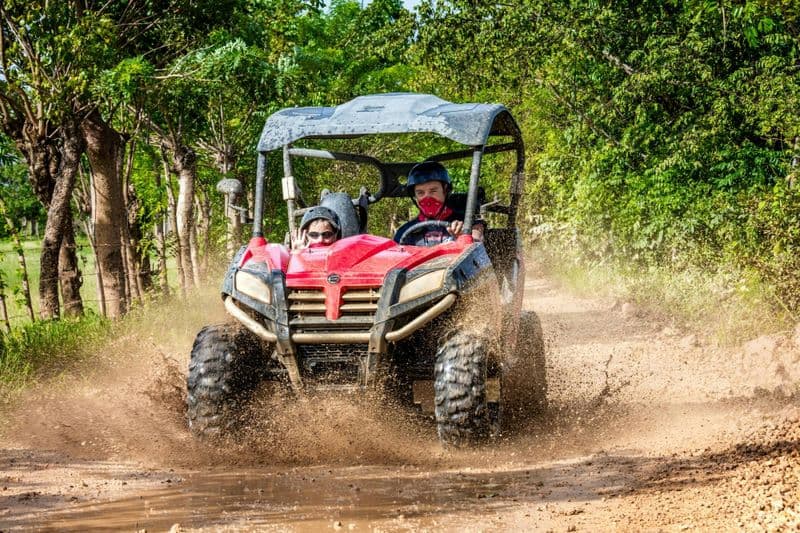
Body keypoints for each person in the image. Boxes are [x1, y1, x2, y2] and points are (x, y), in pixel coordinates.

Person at [393, 161, 484, 246]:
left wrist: (464, 238)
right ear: (415, 196)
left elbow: (478, 247)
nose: (427, 198)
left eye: (433, 191)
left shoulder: (468, 224)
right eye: (420, 193)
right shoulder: (404, 232)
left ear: (445, 190)